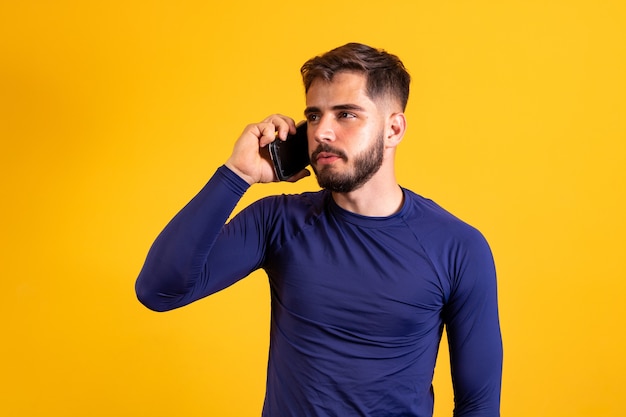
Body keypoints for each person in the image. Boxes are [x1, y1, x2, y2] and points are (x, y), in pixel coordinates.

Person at [135, 42, 503, 417]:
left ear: (393, 129)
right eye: (313, 116)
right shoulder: (277, 222)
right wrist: (237, 175)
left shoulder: (458, 247)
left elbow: (478, 404)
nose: (322, 132)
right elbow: (158, 291)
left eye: (345, 114)